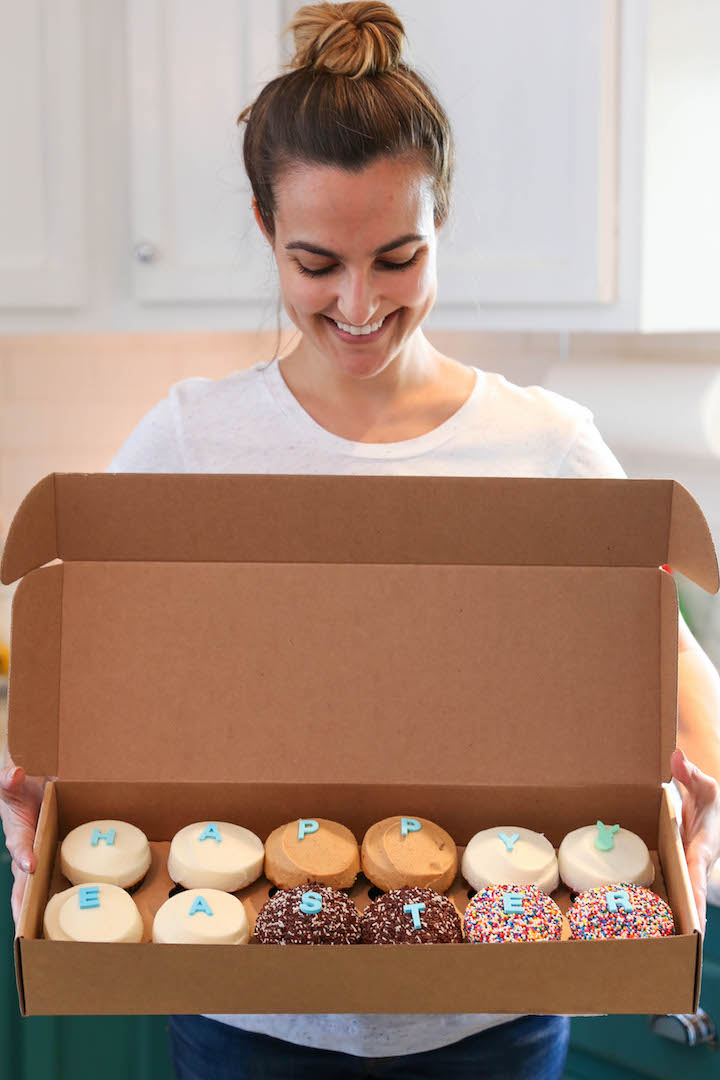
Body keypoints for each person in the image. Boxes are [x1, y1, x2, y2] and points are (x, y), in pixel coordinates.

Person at [2, 2, 720, 1077]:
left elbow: (677, 681)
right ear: (261, 228)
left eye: (398, 257)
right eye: (314, 262)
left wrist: (698, 799)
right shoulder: (195, 440)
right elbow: (79, 656)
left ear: (444, 222)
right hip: (246, 1018)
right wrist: (29, 770)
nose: (357, 304)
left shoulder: (544, 446)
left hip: (494, 1022)